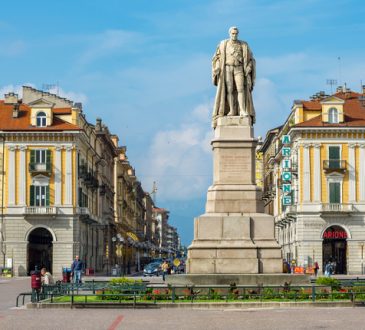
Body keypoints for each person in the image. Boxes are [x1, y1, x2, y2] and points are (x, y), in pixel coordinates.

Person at [212, 26, 256, 127]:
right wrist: (217, 67)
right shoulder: (223, 44)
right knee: (229, 90)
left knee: (241, 89)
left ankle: (242, 110)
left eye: (236, 34)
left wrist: (249, 67)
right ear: (229, 34)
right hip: (227, 68)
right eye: (233, 33)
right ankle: (231, 110)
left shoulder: (244, 45)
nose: (234, 35)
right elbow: (217, 58)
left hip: (239, 68)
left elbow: (251, 59)